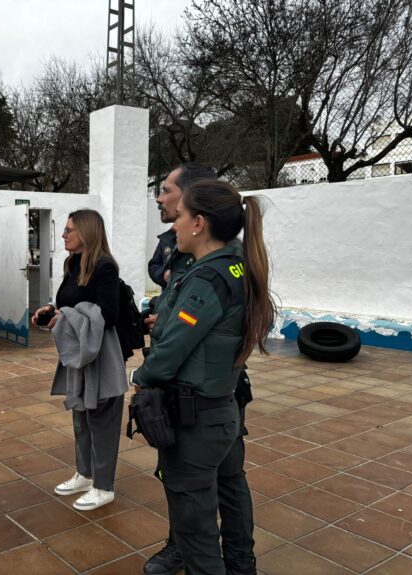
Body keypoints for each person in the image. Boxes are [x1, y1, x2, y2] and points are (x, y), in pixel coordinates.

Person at [133, 180, 275, 575]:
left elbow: (171, 350)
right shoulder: (237, 264)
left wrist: (140, 375)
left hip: (198, 421)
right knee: (231, 492)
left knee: (195, 532)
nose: (172, 225)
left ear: (198, 223)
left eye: (178, 217)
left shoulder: (206, 277)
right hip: (222, 409)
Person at [32, 209, 127, 511]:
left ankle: (104, 486)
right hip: (79, 355)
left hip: (101, 355)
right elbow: (69, 303)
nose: (63, 235)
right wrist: (51, 310)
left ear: (85, 232)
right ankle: (85, 474)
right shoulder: (73, 264)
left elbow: (108, 314)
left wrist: (65, 316)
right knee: (81, 418)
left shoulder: (104, 267)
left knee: (101, 421)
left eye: (69, 230)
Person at [148, 163, 217, 291]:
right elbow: (154, 265)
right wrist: (164, 276)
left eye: (166, 191)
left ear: (190, 195)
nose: (159, 199)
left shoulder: (211, 255)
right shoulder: (172, 236)